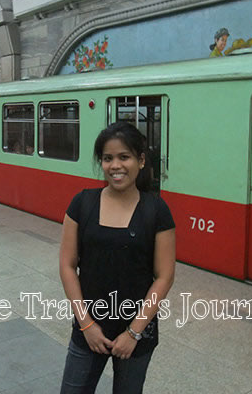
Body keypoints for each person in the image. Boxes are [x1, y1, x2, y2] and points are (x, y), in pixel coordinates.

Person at [59, 122, 176, 393]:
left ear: (141, 160)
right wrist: (86, 324)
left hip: (137, 333)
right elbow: (67, 265)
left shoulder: (157, 211)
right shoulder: (82, 203)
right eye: (108, 158)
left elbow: (164, 276)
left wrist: (134, 332)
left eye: (124, 157)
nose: (115, 166)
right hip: (88, 327)